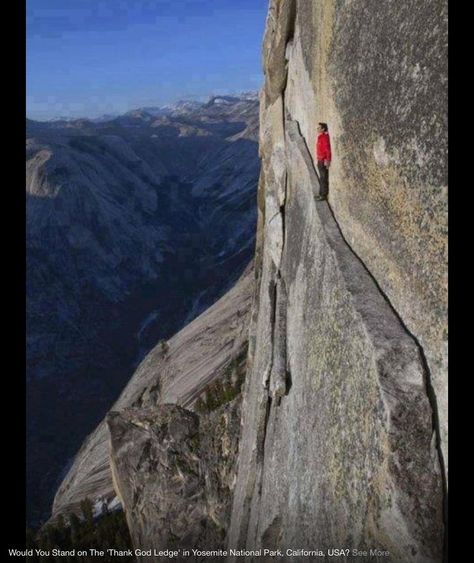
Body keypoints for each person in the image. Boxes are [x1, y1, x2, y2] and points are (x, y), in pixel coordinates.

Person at [315, 122, 331, 200]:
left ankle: (323, 195)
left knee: (323, 178)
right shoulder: (321, 137)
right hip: (320, 160)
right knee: (321, 178)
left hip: (322, 161)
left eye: (319, 128)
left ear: (323, 129)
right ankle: (321, 194)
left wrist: (327, 160)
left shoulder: (324, 138)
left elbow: (327, 150)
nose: (317, 129)